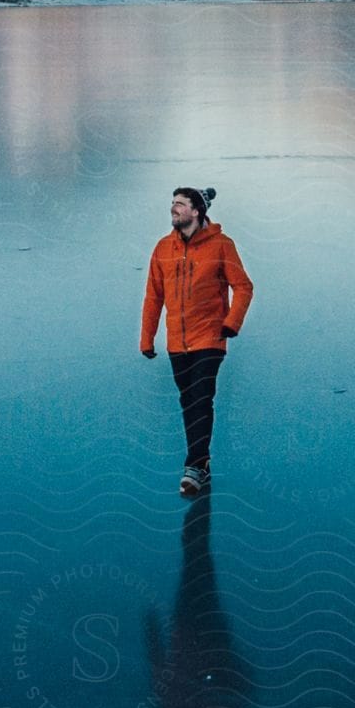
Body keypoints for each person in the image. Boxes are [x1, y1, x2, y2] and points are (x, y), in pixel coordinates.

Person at [140, 186, 254, 497]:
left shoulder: (220, 245)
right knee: (189, 402)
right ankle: (201, 463)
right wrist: (147, 337)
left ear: (196, 211)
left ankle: (194, 467)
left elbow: (243, 287)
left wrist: (231, 323)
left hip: (210, 337)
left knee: (201, 398)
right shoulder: (163, 248)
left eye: (180, 204)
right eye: (172, 204)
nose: (173, 209)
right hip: (177, 341)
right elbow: (154, 296)